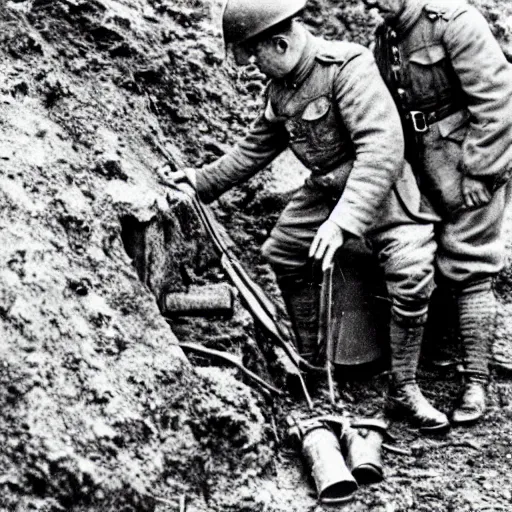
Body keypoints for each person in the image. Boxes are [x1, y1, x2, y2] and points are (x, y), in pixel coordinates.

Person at [166, 0, 450, 433]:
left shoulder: (346, 67)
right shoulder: (281, 88)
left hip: (384, 191)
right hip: (326, 191)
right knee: (283, 252)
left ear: (279, 44)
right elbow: (254, 148)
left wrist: (342, 222)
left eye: (256, 58)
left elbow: (382, 148)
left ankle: (404, 389)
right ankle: (313, 363)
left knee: (410, 274)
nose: (255, 69)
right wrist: (200, 183)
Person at [362, 0, 512, 425]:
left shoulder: (454, 22)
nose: (371, 3)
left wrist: (482, 173)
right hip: (424, 166)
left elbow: (499, 100)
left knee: (470, 262)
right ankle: (441, 355)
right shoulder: (389, 33)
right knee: (430, 256)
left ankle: (476, 381)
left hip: (469, 161)